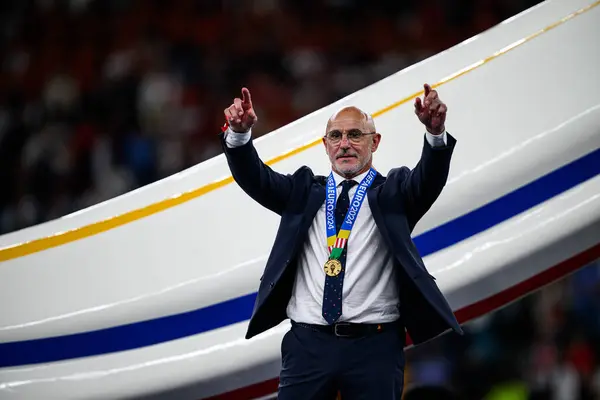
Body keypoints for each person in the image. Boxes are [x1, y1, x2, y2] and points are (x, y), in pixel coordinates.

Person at [219, 84, 463, 399]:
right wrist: (239, 136)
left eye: (355, 135)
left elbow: (429, 179)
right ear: (325, 145)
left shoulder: (394, 193)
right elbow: (255, 177)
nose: (344, 144)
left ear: (375, 141)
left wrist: (435, 134)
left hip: (374, 347)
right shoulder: (303, 192)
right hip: (308, 345)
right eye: (336, 136)